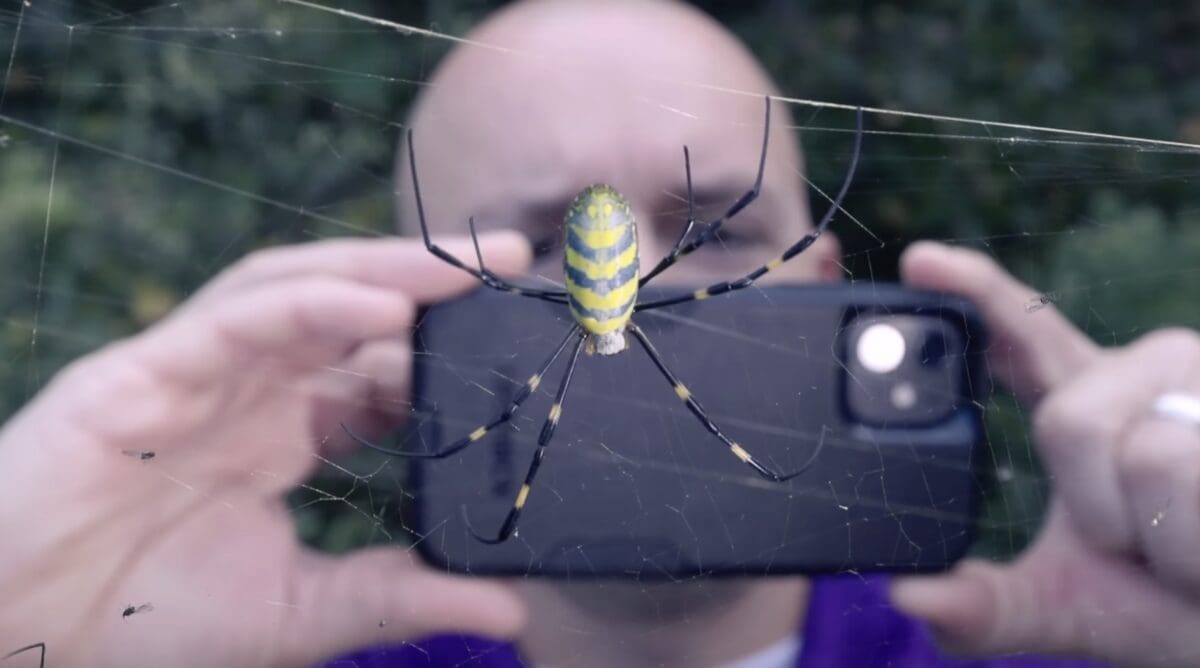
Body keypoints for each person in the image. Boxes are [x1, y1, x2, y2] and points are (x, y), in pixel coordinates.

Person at [1, 0, 1198, 666]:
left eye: (719, 229)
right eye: (523, 246)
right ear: (413, 321)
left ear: (823, 282)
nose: (666, 297)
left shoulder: (1046, 640)